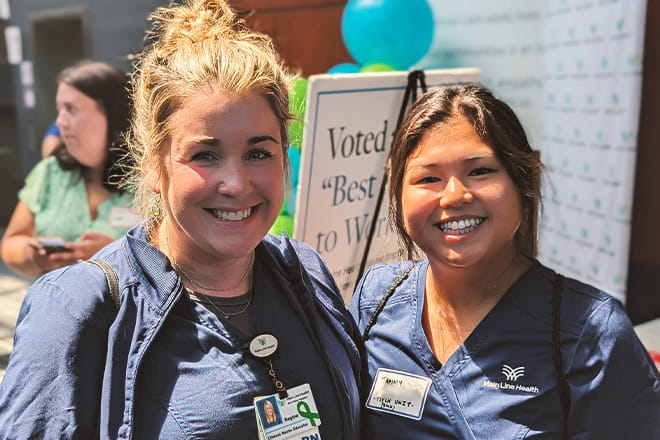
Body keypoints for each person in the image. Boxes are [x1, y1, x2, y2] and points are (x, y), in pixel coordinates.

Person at [0, 0, 361, 438]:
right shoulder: (79, 307)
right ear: (155, 165)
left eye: (258, 153)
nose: (236, 183)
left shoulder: (303, 270)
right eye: (205, 155)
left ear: (285, 157)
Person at [349, 85, 660, 439]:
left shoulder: (591, 333)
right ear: (398, 196)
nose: (454, 196)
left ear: (523, 183)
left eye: (480, 171)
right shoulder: (376, 300)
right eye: (428, 178)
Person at [0, 60, 137, 278]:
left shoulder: (150, 180)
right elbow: (12, 243)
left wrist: (116, 255)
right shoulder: (50, 173)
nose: (60, 122)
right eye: (60, 109)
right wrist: (34, 254)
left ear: (113, 115)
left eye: (71, 109)